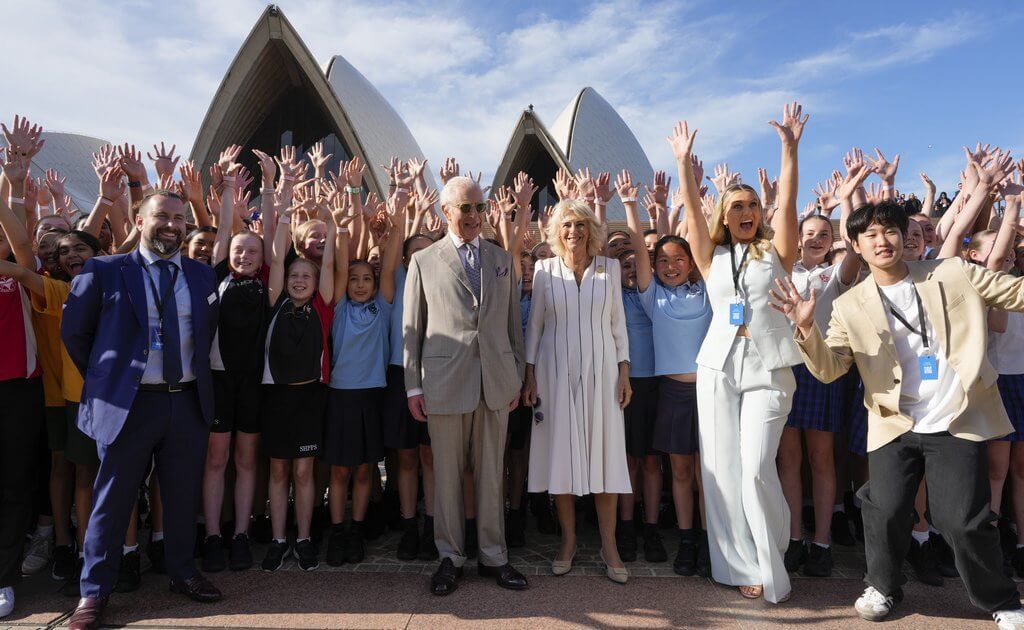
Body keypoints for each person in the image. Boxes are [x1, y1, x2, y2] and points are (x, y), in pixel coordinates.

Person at [770, 192, 1024, 629]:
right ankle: (883, 586)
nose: (882, 240)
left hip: (955, 418)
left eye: (890, 230)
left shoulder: (951, 272)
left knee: (962, 520)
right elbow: (830, 369)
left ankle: (1000, 598)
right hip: (893, 423)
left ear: (904, 236)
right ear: (855, 244)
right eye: (869, 234)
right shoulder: (850, 305)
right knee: (884, 508)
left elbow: (1013, 291)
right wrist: (806, 326)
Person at [62, 187, 222, 630]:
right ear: (138, 221)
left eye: (179, 218)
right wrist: (109, 379)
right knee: (111, 501)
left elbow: (204, 337)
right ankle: (94, 593)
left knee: (181, 494)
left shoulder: (202, 275)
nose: (172, 225)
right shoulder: (103, 271)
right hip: (128, 406)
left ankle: (183, 572)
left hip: (186, 401)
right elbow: (75, 335)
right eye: (162, 216)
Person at [667, 102, 808, 604]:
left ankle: (774, 560)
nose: (745, 213)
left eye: (751, 206)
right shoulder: (712, 256)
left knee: (754, 467)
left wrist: (789, 149)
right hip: (717, 367)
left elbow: (788, 205)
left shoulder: (778, 251)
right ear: (724, 217)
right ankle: (736, 565)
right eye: (736, 207)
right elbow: (690, 213)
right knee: (722, 471)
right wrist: (684, 165)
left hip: (769, 369)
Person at [403, 175, 527, 596]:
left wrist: (516, 378)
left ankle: (494, 557)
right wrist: (412, 387)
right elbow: (411, 330)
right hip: (443, 383)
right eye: (465, 208)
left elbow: (514, 328)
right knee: (448, 478)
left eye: (479, 207)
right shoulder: (423, 261)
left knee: (493, 473)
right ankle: (450, 557)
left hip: (496, 384)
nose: (474, 216)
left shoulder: (502, 259)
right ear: (446, 211)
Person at [522, 199, 633, 583]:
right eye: (567, 225)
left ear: (591, 229)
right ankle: (568, 541)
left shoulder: (611, 268)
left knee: (605, 456)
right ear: (556, 231)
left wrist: (624, 372)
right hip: (554, 373)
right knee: (562, 456)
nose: (574, 232)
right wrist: (530, 374)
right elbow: (534, 326)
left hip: (603, 373)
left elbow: (618, 324)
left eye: (581, 224)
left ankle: (608, 544)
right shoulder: (544, 270)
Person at [618, 170, 714, 575]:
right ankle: (688, 541)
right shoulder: (651, 295)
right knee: (679, 468)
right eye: (663, 260)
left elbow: (700, 237)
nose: (671, 266)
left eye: (679, 259)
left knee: (710, 471)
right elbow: (640, 249)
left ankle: (713, 541)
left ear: (692, 263)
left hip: (712, 391)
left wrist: (689, 191)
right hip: (673, 393)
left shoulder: (708, 286)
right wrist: (629, 205)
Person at [199, 152, 274, 574]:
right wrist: (228, 185)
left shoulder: (268, 284)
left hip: (252, 385)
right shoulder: (215, 277)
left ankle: (241, 533)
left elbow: (270, 235)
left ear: (263, 259)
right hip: (218, 381)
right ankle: (213, 534)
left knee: (246, 461)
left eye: (253, 251)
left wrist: (269, 182)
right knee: (216, 459)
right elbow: (227, 227)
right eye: (239, 250)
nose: (244, 255)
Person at [259, 189, 336, 572]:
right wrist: (285, 207)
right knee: (277, 471)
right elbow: (276, 257)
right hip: (275, 399)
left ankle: (303, 538)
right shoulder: (274, 300)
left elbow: (330, 257)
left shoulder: (323, 305)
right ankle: (277, 539)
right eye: (294, 275)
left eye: (307, 275)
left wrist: (331, 220)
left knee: (304, 471)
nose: (300, 280)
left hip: (310, 399)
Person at [324, 192, 399, 565]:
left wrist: (386, 235)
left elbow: (387, 269)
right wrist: (341, 227)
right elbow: (339, 266)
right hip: (341, 397)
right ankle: (337, 531)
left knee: (366, 469)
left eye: (365, 278)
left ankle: (356, 528)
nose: (359, 284)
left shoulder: (382, 307)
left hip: (373, 396)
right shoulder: (338, 308)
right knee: (340, 470)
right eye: (354, 279)